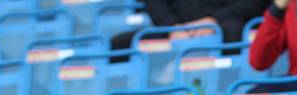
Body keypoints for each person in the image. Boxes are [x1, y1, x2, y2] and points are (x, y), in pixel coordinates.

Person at [111, 0, 268, 48]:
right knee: (120, 44)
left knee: (233, 31)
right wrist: (172, 26)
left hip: (225, 25)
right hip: (178, 29)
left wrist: (215, 20)